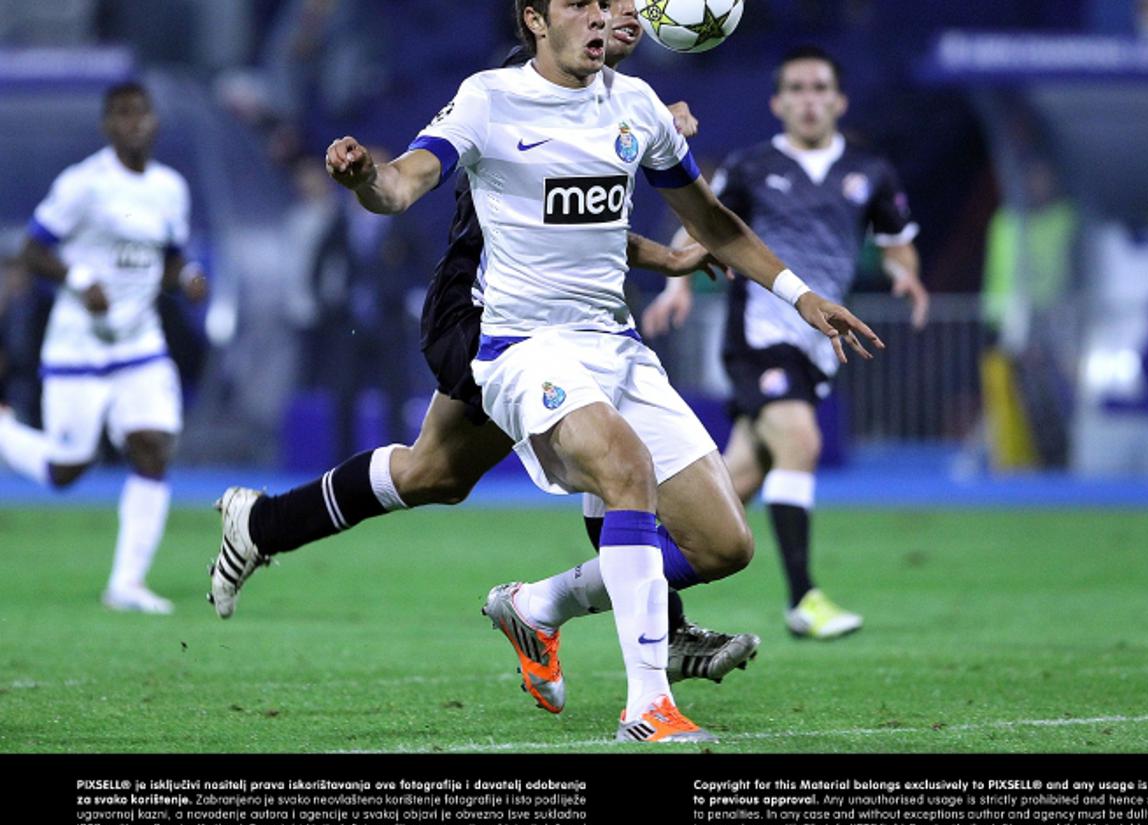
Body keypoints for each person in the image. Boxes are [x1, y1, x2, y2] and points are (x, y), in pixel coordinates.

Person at [309, 0, 880, 742]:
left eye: (605, 3)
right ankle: (648, 708)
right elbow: (401, 185)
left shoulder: (638, 105)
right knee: (622, 467)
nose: (600, 17)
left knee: (723, 545)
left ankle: (537, 605)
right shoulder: (488, 97)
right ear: (535, 19)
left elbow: (711, 222)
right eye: (578, 4)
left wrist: (801, 296)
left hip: (613, 346)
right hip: (522, 347)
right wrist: (363, 180)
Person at [209, 1, 768, 719]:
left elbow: (591, 225)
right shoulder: (516, 89)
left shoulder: (621, 105)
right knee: (594, 456)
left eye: (628, 7)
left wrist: (664, 250)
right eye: (604, 6)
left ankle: (261, 526)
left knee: (438, 473)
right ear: (544, 24)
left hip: (560, 318)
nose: (623, 17)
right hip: (481, 305)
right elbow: (531, 215)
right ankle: (646, 630)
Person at [644, 46, 926, 639]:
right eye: (795, 88)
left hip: (820, 344)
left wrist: (906, 273)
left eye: (819, 87)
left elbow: (898, 238)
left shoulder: (870, 173)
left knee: (735, 485)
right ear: (777, 102)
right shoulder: (750, 166)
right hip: (760, 336)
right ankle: (804, 598)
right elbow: (701, 220)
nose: (808, 98)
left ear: (839, 100)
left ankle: (629, 575)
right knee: (800, 438)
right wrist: (679, 288)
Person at [0, 82, 207, 614]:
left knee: (153, 447)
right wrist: (78, 278)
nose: (132, 123)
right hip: (79, 346)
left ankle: (126, 584)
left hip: (139, 342)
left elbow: (168, 260)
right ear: (106, 126)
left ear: (154, 122)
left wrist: (186, 277)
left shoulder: (170, 188)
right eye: (120, 114)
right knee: (67, 470)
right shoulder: (83, 184)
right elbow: (31, 250)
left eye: (140, 113)